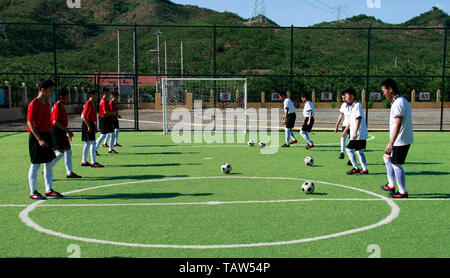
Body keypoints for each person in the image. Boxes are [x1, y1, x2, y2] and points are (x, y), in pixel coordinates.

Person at [27, 78, 63, 200]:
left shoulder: (47, 104)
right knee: (35, 164)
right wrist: (39, 139)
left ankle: (49, 189)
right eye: (51, 90)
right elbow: (30, 122)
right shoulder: (34, 103)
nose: (52, 93)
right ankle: (33, 192)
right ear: (43, 90)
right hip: (37, 137)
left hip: (46, 135)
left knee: (48, 163)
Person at [380, 78, 413, 198]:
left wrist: (391, 142)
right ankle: (391, 184)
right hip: (398, 139)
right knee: (386, 157)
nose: (383, 93)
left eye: (384, 91)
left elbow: (398, 123)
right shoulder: (397, 101)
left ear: (390, 89)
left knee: (396, 164)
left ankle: (402, 192)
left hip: (401, 140)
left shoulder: (399, 102)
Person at [50, 88, 81, 178]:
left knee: (68, 150)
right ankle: (47, 169)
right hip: (56, 131)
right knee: (60, 153)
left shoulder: (61, 106)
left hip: (61, 130)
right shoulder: (56, 107)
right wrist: (67, 131)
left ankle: (69, 172)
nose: (68, 98)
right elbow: (55, 121)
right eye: (67, 96)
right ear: (61, 97)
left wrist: (66, 132)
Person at [342, 88, 369, 175]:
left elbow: (358, 118)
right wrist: (345, 130)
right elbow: (351, 120)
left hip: (358, 134)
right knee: (359, 151)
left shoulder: (357, 106)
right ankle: (364, 169)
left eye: (346, 96)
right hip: (358, 134)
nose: (345, 98)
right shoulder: (353, 106)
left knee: (349, 150)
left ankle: (356, 167)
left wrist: (355, 132)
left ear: (352, 96)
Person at [81, 89, 104, 168]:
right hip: (87, 124)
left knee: (87, 144)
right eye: (96, 95)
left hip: (89, 124)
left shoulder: (91, 104)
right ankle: (93, 162)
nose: (97, 96)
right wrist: (89, 126)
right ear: (91, 95)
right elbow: (83, 116)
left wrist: (94, 127)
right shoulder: (88, 104)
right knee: (93, 143)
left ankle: (84, 161)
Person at [95, 87, 117, 154]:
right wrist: (114, 113)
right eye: (109, 92)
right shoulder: (103, 101)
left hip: (108, 119)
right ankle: (94, 149)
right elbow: (105, 112)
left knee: (113, 134)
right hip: (104, 119)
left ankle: (110, 149)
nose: (110, 93)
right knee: (103, 135)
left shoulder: (106, 101)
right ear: (105, 92)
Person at [335, 93, 351, 160]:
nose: (343, 100)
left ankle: (351, 158)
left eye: (344, 98)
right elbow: (341, 115)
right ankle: (342, 152)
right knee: (343, 137)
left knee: (351, 141)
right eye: (343, 98)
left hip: (352, 125)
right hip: (345, 124)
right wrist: (337, 125)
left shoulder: (354, 105)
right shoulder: (343, 105)